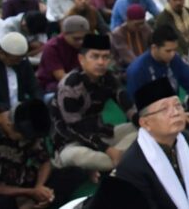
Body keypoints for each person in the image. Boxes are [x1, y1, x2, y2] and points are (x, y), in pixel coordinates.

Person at [115, 78, 189, 209]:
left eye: (177, 105)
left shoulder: (187, 139)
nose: (175, 112)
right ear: (145, 123)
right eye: (164, 109)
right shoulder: (131, 167)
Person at [50, 34, 137, 173]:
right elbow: (76, 129)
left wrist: (142, 122)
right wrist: (108, 150)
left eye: (105, 57)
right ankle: (121, 157)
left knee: (144, 129)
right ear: (81, 59)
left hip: (100, 134)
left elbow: (127, 104)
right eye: (95, 56)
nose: (101, 62)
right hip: (72, 143)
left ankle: (116, 159)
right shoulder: (69, 86)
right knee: (80, 156)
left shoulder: (108, 78)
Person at [0, 99, 86, 209]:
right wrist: (29, 192)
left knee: (74, 173)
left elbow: (45, 160)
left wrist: (39, 187)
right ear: (10, 125)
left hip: (24, 183)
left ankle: (34, 203)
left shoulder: (27, 122)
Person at [0, 32, 41, 115]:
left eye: (20, 59)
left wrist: (38, 104)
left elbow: (34, 86)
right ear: (2, 54)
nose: (17, 63)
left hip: (21, 109)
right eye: (14, 60)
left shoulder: (22, 62)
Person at [36, 15, 89, 94]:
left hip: (79, 79)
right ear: (64, 34)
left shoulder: (87, 43)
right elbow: (61, 77)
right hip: (53, 84)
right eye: (76, 39)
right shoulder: (52, 47)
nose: (81, 42)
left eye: (84, 38)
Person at [110, 4, 152, 80]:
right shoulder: (118, 34)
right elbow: (128, 57)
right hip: (124, 68)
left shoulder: (145, 28)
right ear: (128, 21)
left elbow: (153, 46)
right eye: (137, 24)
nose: (140, 27)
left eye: (142, 23)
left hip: (144, 65)